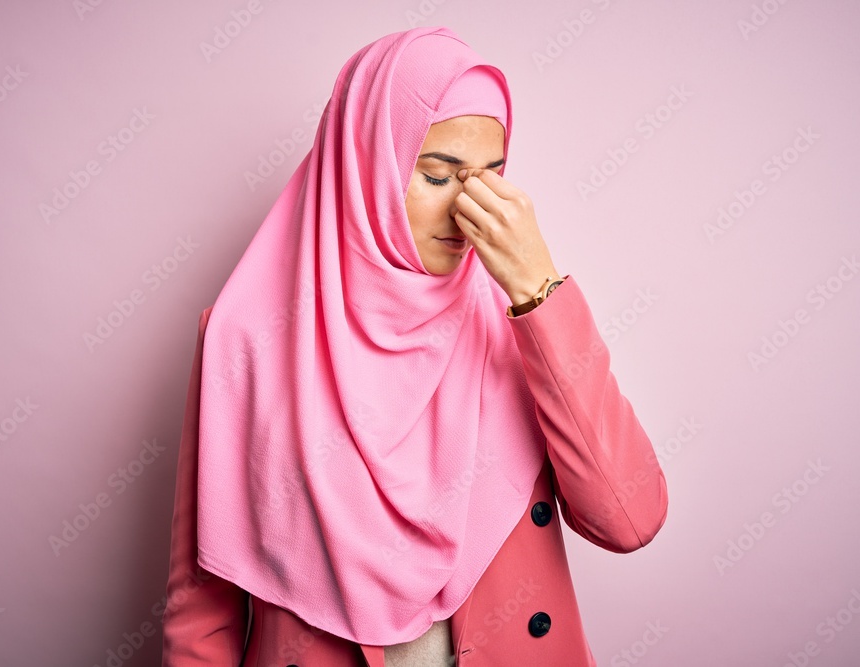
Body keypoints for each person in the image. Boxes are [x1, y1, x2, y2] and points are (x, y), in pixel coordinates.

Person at [161, 25, 668, 667]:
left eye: (492, 176)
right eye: (437, 176)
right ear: (365, 165)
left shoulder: (517, 325)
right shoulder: (248, 339)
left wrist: (538, 287)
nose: (470, 210)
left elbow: (630, 520)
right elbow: (201, 609)